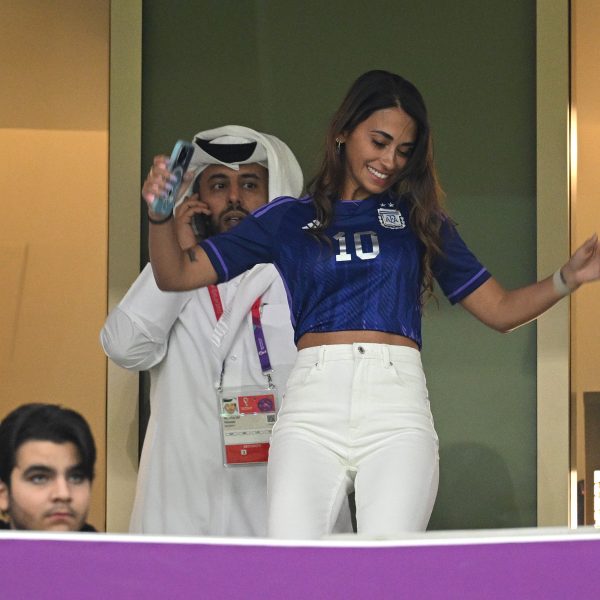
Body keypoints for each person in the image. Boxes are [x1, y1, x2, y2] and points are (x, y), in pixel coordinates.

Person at [142, 71, 600, 539]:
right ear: (343, 131)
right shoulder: (287, 218)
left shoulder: (419, 219)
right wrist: (160, 217)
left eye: (403, 151)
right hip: (310, 409)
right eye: (379, 142)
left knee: (389, 567)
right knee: (294, 565)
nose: (389, 161)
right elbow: (175, 275)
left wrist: (567, 278)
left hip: (396, 410)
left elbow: (500, 310)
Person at [101, 125, 352, 536]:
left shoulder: (312, 273)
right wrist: (177, 251)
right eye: (219, 185)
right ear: (196, 199)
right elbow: (124, 347)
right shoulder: (176, 279)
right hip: (185, 511)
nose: (234, 197)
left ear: (276, 193)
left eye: (250, 184)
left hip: (284, 507)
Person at [0, 403, 96, 532]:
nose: (63, 494)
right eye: (39, 478)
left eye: (76, 478)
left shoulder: (112, 546)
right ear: (3, 495)